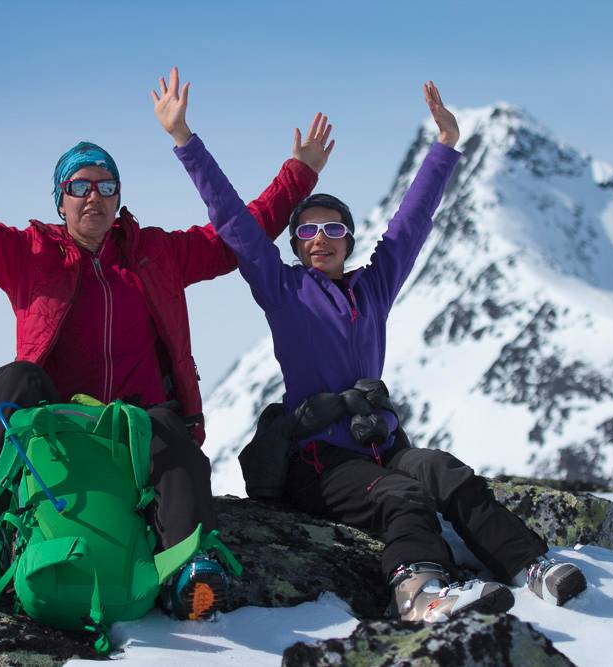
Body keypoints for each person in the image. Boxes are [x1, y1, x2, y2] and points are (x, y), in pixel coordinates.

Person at [0, 59, 333, 621]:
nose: (94, 197)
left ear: (118, 197)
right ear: (60, 202)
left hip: (136, 429)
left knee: (171, 424)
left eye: (105, 185)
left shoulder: (155, 254)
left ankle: (190, 564)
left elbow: (240, 232)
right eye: (79, 187)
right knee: (13, 380)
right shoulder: (28, 255)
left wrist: (299, 174)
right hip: (58, 433)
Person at [155, 70, 588, 621]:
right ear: (293, 244)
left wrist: (445, 147)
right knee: (400, 496)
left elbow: (410, 227)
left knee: (442, 470)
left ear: (348, 241)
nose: (319, 239)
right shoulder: (284, 290)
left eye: (333, 231)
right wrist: (185, 141)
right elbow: (235, 223)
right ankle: (418, 590)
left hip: (379, 445)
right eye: (307, 231)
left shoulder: (372, 288)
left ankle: (528, 565)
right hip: (317, 463)